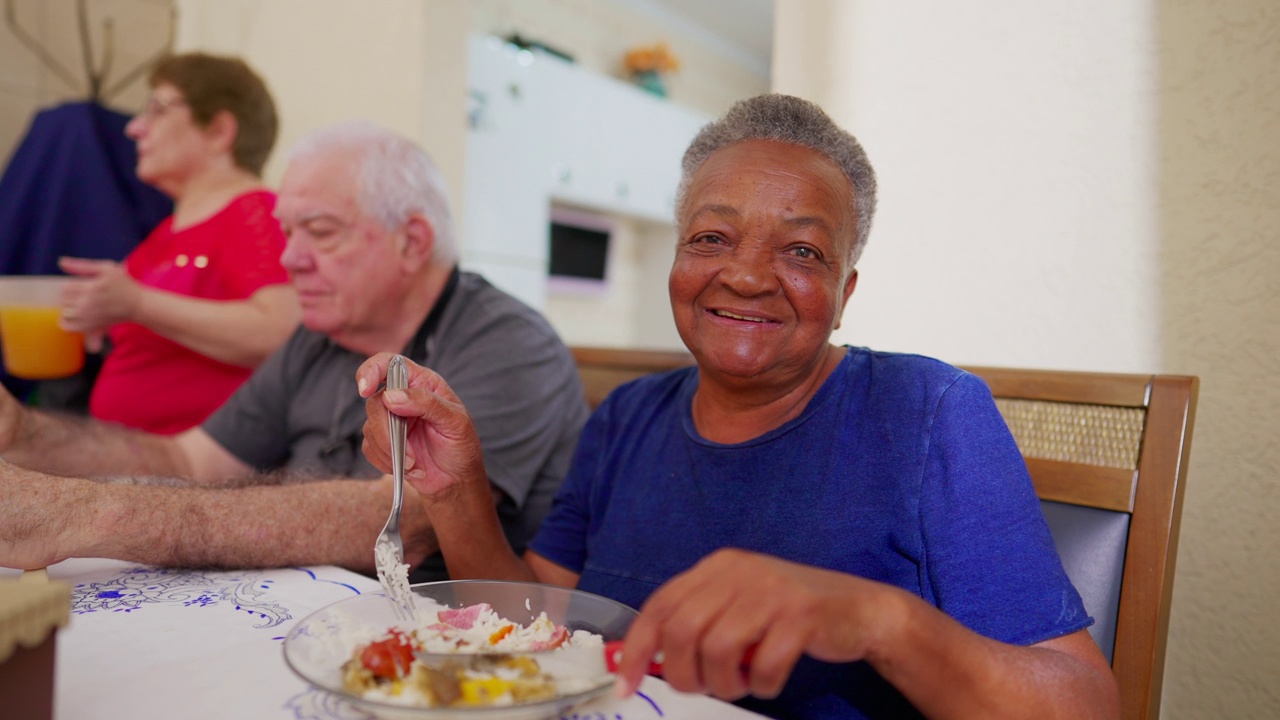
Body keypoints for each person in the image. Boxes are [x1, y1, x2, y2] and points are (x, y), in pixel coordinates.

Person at [356, 94, 1120, 719]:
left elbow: (1084, 704)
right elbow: (538, 628)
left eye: (802, 252)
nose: (748, 276)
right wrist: (455, 491)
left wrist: (877, 619)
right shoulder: (627, 418)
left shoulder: (931, 413)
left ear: (845, 292)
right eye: (713, 237)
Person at [0, 121, 589, 583]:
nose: (289, 259)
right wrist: (27, 435)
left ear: (412, 242)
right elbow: (191, 462)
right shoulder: (320, 334)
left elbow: (403, 520)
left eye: (321, 232)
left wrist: (91, 515)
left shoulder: (509, 343)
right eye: (288, 231)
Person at [56, 52, 299, 434]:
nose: (134, 128)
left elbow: (282, 332)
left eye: (157, 110)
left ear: (219, 131)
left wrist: (136, 303)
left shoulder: (254, 213)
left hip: (199, 480)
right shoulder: (164, 234)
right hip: (132, 465)